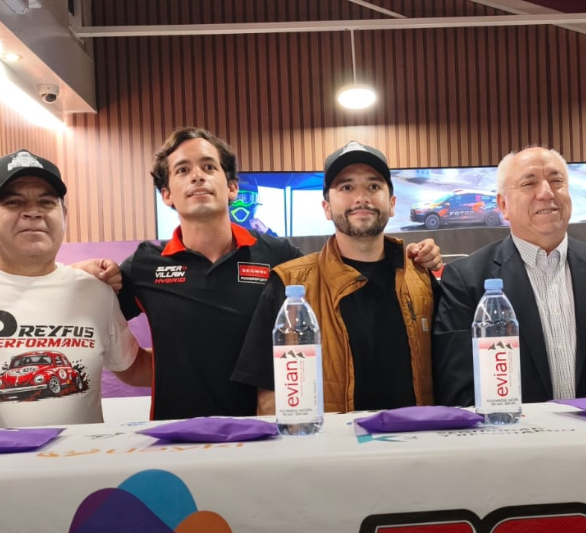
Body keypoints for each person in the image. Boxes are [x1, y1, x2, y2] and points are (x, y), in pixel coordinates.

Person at [117, 127, 443, 420]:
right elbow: (101, 326)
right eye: (183, 170)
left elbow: (338, 273)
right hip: (176, 438)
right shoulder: (145, 264)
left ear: (232, 187)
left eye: (209, 167)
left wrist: (416, 259)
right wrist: (92, 275)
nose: (197, 177)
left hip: (257, 436)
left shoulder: (280, 260)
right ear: (166, 194)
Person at [433, 146, 586, 405]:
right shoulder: (467, 281)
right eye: (529, 183)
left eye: (556, 181)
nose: (546, 192)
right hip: (512, 430)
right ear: (503, 205)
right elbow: (459, 392)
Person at [0, 150, 152, 427]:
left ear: (64, 216)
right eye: (14, 202)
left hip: (84, 454)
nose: (33, 212)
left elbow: (134, 368)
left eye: (47, 202)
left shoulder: (95, 291)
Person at [232, 141, 436, 414]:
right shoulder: (289, 284)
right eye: (346, 187)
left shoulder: (422, 279)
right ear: (326, 207)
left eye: (374, 186)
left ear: (392, 204)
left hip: (414, 440)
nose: (361, 197)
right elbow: (268, 395)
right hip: (326, 442)